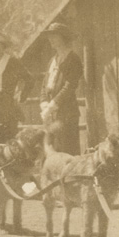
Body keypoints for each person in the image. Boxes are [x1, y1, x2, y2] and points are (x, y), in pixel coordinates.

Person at [40, 22, 84, 155]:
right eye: (49, 36)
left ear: (63, 37)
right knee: (51, 150)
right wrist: (44, 103)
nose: (50, 39)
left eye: (54, 36)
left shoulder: (73, 59)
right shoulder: (53, 59)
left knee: (67, 151)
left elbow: (69, 86)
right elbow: (44, 84)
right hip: (51, 114)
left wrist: (52, 105)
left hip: (66, 114)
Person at [0, 31, 29, 148]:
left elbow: (27, 78)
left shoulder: (12, 62)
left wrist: (20, 95)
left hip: (6, 103)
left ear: (4, 46)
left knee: (8, 135)